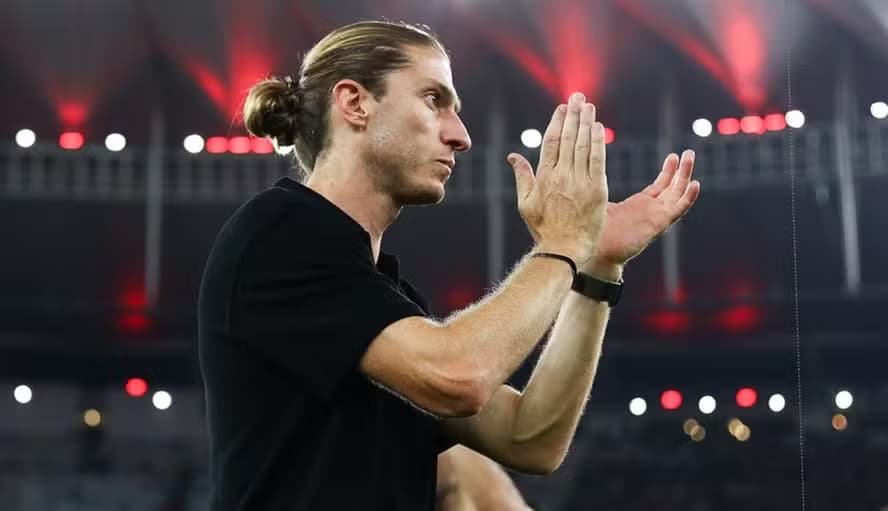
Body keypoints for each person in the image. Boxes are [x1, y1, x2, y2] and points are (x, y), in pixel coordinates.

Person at [197, 20, 700, 511]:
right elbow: (459, 376)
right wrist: (563, 242)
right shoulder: (277, 234)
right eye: (434, 99)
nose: (460, 135)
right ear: (355, 104)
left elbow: (530, 438)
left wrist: (596, 269)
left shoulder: (383, 293)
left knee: (473, 472)